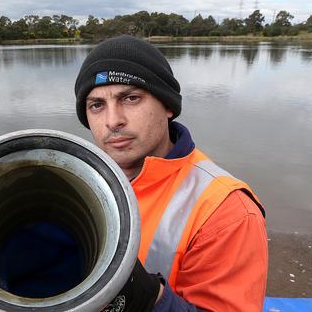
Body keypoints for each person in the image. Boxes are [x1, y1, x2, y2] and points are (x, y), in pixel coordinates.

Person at [74, 36, 268, 312]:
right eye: (97, 105)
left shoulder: (226, 211)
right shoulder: (78, 184)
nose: (112, 120)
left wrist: (148, 298)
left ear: (167, 106)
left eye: (130, 98)